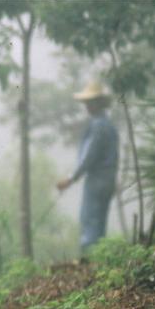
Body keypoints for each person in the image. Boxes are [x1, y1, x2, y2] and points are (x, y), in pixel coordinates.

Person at [56, 81, 119, 255]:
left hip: (98, 180)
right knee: (99, 222)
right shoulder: (108, 125)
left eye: (90, 102)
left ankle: (90, 262)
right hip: (108, 179)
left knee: (90, 220)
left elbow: (88, 157)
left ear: (98, 103)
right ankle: (98, 262)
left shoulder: (98, 126)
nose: (87, 106)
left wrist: (70, 179)